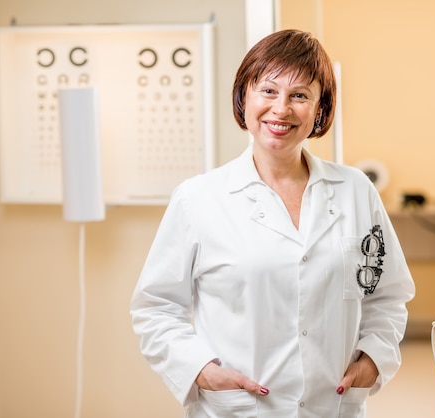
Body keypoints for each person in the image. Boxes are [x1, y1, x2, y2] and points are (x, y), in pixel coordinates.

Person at [130, 29, 415, 418]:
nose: (281, 109)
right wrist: (201, 371)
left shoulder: (355, 190)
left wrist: (374, 358)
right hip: (238, 409)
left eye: (300, 95)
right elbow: (157, 307)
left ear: (320, 109)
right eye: (267, 90)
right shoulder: (198, 198)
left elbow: (387, 294)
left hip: (333, 408)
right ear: (243, 96)